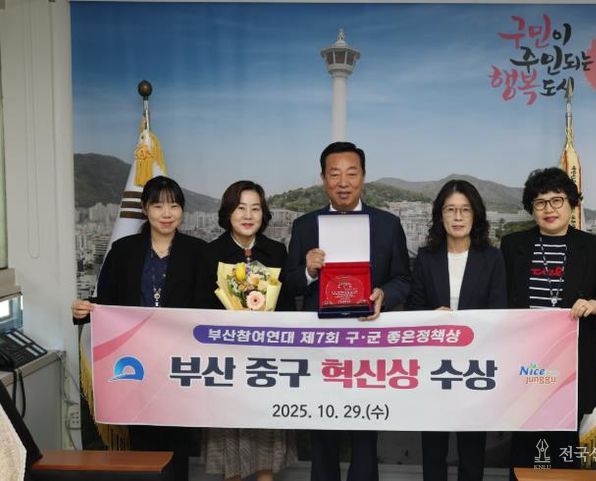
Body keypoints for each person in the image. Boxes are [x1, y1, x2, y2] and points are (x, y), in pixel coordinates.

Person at [283, 141, 411, 481]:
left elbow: (403, 278)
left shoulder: (388, 224)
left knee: (365, 434)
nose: (343, 182)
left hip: (369, 342)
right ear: (323, 179)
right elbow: (289, 284)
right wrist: (308, 271)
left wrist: (384, 294)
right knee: (322, 433)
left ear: (363, 177)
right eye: (334, 174)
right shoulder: (305, 225)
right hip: (320, 346)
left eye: (351, 174)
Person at [71, 175, 206, 481]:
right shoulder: (124, 250)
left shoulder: (198, 251)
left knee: (178, 444)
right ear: (145, 209)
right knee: (142, 444)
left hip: (180, 364)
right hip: (135, 364)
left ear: (182, 210)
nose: (167, 213)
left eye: (174, 205)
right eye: (158, 206)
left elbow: (206, 307)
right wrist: (84, 311)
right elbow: (108, 302)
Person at [500, 167, 596, 474]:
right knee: (524, 447)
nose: (549, 209)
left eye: (557, 200)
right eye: (540, 202)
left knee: (563, 449)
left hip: (573, 367)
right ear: (532, 208)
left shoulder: (592, 247)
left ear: (572, 204)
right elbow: (499, 298)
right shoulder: (512, 245)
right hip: (526, 365)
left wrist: (595, 304)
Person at [194, 180, 295, 481]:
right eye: (241, 208)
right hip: (226, 360)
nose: (248, 215)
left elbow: (287, 307)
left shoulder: (276, 252)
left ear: (264, 214)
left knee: (265, 437)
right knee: (230, 439)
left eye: (256, 209)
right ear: (228, 213)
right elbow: (199, 309)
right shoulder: (210, 253)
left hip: (267, 359)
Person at [407, 179, 506, 481]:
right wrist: (431, 318)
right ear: (440, 215)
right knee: (433, 448)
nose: (458, 217)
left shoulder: (492, 258)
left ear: (476, 215)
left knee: (472, 450)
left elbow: (499, 311)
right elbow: (413, 308)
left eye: (465, 210)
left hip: (475, 366)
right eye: (450, 210)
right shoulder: (426, 257)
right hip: (435, 366)